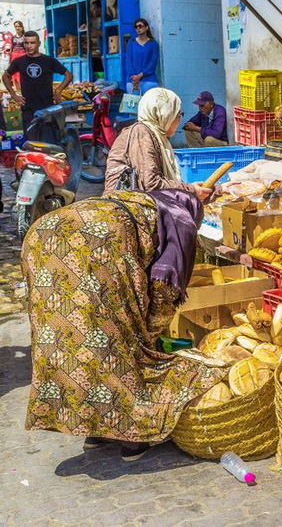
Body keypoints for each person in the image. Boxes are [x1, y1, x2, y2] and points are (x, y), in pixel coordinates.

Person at [22, 188, 226, 461]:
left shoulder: (138, 202)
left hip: (40, 237)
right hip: (94, 242)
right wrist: (151, 334)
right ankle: (133, 437)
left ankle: (94, 429)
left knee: (67, 338)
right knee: (114, 345)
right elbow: (163, 288)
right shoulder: (180, 219)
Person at [104, 87, 213, 202]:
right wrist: (191, 190)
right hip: (124, 210)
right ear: (165, 115)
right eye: (178, 114)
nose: (179, 120)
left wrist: (216, 190)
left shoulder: (156, 135)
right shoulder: (142, 133)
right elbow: (151, 185)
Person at [2, 31, 73, 136]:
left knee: (48, 142)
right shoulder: (19, 61)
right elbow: (5, 76)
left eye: (32, 43)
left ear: (39, 44)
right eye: (26, 43)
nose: (29, 46)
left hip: (47, 108)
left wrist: (58, 90)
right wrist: (13, 94)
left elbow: (68, 75)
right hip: (28, 109)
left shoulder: (48, 61)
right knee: (32, 143)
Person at [125, 18, 159, 94]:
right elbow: (129, 61)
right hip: (132, 81)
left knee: (150, 105)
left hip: (149, 80)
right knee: (134, 104)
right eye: (136, 27)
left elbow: (153, 63)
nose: (138, 28)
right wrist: (135, 79)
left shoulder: (153, 44)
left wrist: (140, 75)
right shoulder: (131, 43)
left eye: (140, 26)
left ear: (146, 27)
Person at [9, 21, 26, 89]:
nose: (17, 28)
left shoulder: (25, 37)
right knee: (14, 72)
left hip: (22, 56)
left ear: (22, 27)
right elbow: (12, 48)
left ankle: (23, 88)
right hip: (14, 56)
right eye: (16, 26)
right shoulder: (13, 38)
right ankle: (17, 89)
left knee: (22, 72)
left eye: (19, 26)